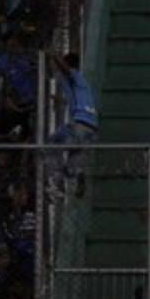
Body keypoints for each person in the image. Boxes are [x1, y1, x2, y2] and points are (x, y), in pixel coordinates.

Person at [48, 53, 99, 197]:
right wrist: (59, 100)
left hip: (79, 126)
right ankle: (78, 174)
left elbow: (65, 70)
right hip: (91, 130)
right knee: (71, 168)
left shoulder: (76, 75)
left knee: (52, 143)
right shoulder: (82, 87)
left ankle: (57, 183)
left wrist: (53, 52)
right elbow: (73, 101)